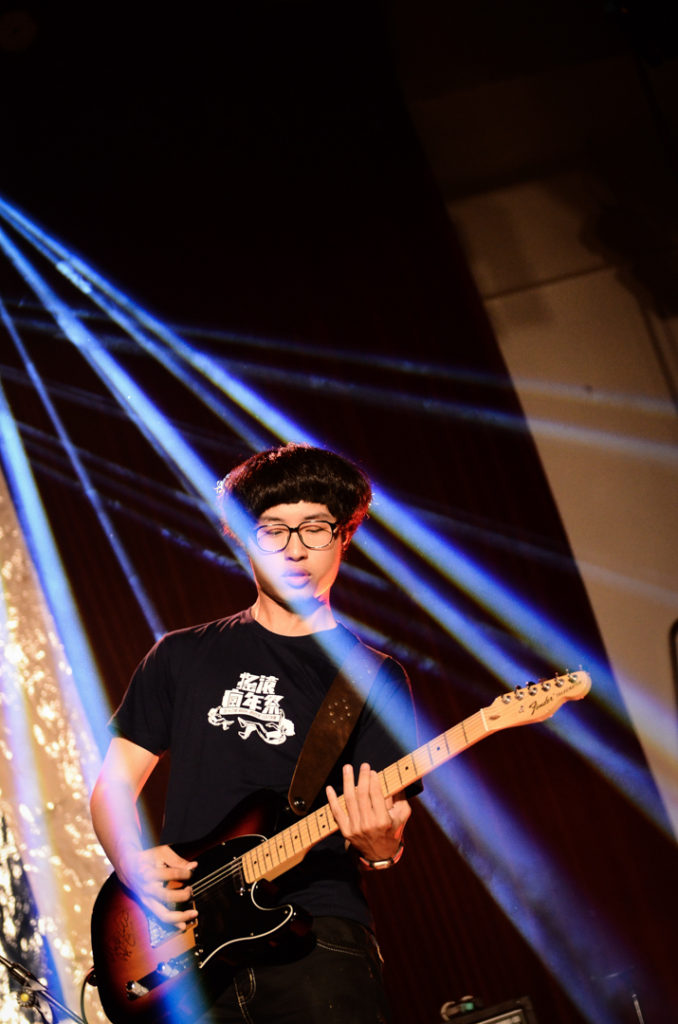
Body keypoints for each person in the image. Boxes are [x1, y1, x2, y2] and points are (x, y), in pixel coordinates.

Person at [90, 443, 420, 1024]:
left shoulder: (374, 678)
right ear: (240, 536)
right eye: (272, 530)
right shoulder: (180, 655)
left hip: (317, 938)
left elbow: (385, 821)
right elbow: (113, 787)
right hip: (186, 944)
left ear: (344, 536)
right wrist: (131, 863)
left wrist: (382, 848)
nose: (295, 549)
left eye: (315, 528)